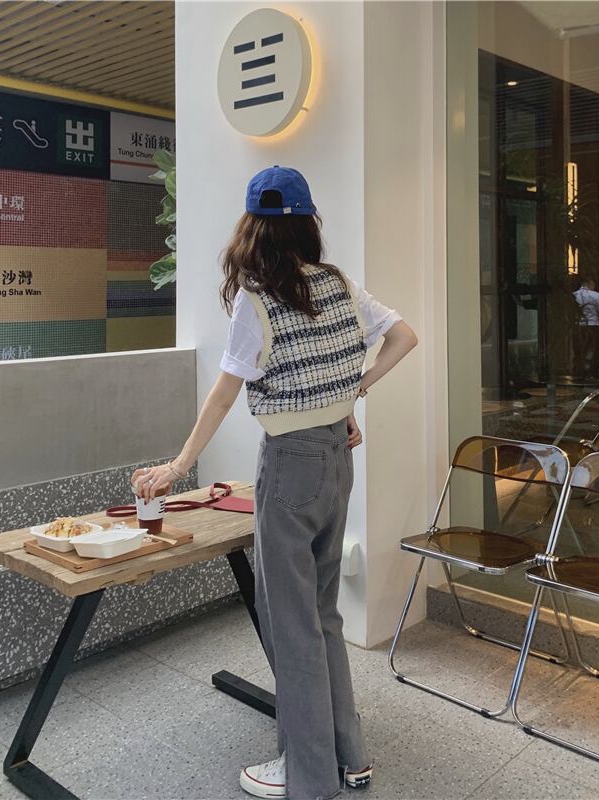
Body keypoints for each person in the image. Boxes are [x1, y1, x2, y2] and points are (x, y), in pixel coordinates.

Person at [132, 166, 418, 800]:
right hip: (338, 461)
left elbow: (222, 395)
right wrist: (353, 392)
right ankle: (350, 757)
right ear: (308, 221)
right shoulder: (338, 285)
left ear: (251, 229)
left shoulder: (256, 301)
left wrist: (177, 467)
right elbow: (404, 337)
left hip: (290, 465)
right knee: (322, 616)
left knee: (289, 623)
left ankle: (308, 775)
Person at [572, 277, 599, 379]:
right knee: (593, 349)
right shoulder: (596, 296)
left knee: (579, 349)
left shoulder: (574, 295)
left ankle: (578, 372)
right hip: (593, 325)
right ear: (590, 284)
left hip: (578, 325)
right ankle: (591, 372)